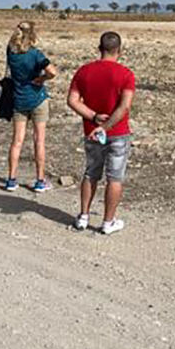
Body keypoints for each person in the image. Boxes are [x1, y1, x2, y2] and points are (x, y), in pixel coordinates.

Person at [66, 32, 136, 234]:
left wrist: (93, 117)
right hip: (118, 132)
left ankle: (83, 216)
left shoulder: (84, 71)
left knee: (91, 173)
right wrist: (106, 126)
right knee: (114, 178)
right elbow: (124, 106)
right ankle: (108, 222)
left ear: (99, 49)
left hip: (91, 131)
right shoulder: (126, 74)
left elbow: (72, 100)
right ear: (119, 51)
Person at [3, 21, 57, 192]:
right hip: (37, 99)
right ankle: (40, 180)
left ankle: (11, 179)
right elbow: (52, 72)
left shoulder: (11, 53)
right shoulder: (35, 54)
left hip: (19, 99)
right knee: (39, 140)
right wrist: (42, 79)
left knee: (17, 141)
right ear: (33, 35)